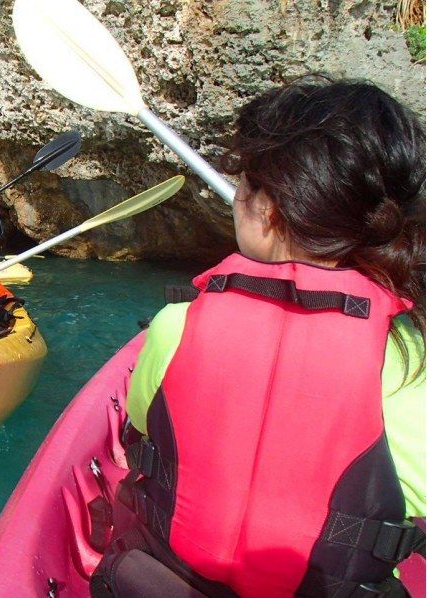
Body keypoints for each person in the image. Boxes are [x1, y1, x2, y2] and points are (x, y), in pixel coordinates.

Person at [92, 77, 426, 597]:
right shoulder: (406, 358)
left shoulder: (177, 324)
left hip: (170, 580)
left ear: (267, 209)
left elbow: (138, 420)